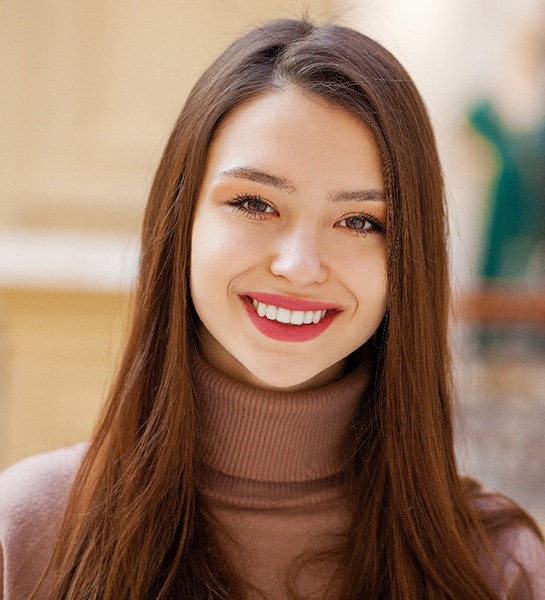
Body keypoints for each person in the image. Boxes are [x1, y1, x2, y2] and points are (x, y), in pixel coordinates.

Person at [0, 17, 544, 600]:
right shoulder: (30, 532)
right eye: (255, 203)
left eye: (360, 221)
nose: (300, 264)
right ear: (181, 219)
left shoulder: (496, 566)